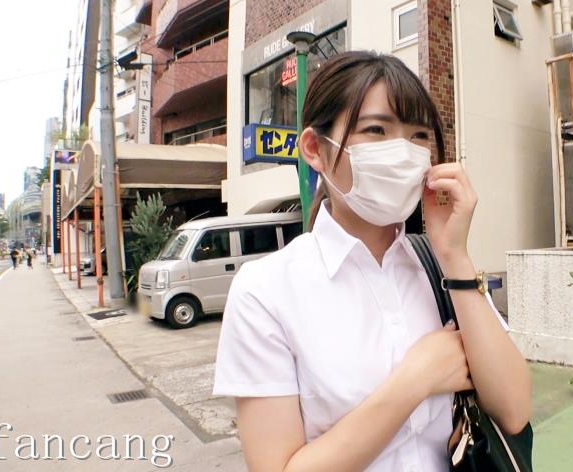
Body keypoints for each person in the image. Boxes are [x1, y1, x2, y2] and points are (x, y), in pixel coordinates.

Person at [213, 51, 531, 471]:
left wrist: (454, 253)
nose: (402, 152)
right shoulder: (265, 291)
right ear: (315, 149)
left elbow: (513, 411)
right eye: (376, 130)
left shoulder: (437, 267)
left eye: (418, 136)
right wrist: (415, 380)